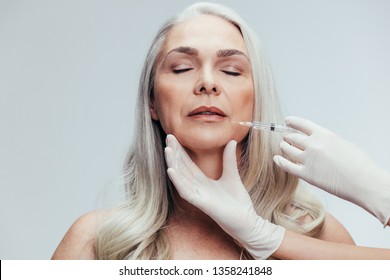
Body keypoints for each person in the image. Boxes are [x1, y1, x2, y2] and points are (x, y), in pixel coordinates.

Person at [51, 2, 354, 260]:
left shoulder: (319, 236)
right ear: (152, 102)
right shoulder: (95, 244)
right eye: (182, 68)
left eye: (231, 70)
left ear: (257, 100)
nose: (207, 83)